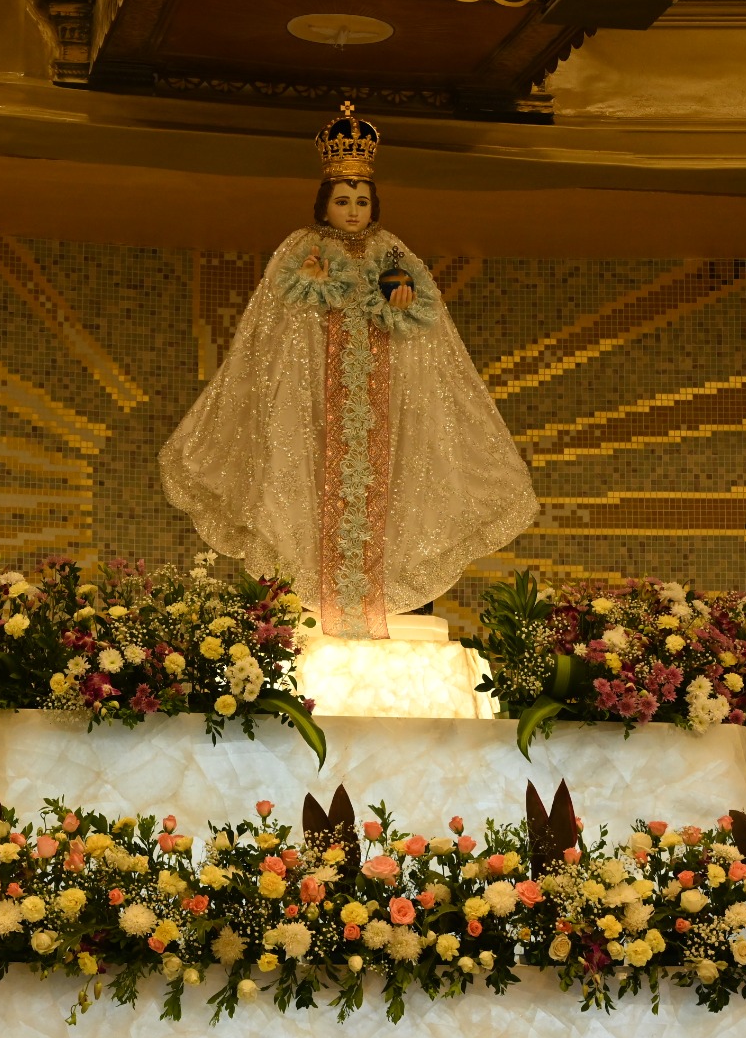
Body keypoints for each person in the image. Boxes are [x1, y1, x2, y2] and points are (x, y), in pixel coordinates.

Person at [160, 103, 538, 639]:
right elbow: (274, 329)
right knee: (303, 485)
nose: (353, 211)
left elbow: (425, 330)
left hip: (384, 404)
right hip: (313, 401)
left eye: (361, 201)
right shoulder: (301, 249)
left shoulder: (393, 251)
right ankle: (308, 604)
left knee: (401, 486)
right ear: (325, 204)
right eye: (343, 200)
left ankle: (381, 600)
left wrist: (401, 304)